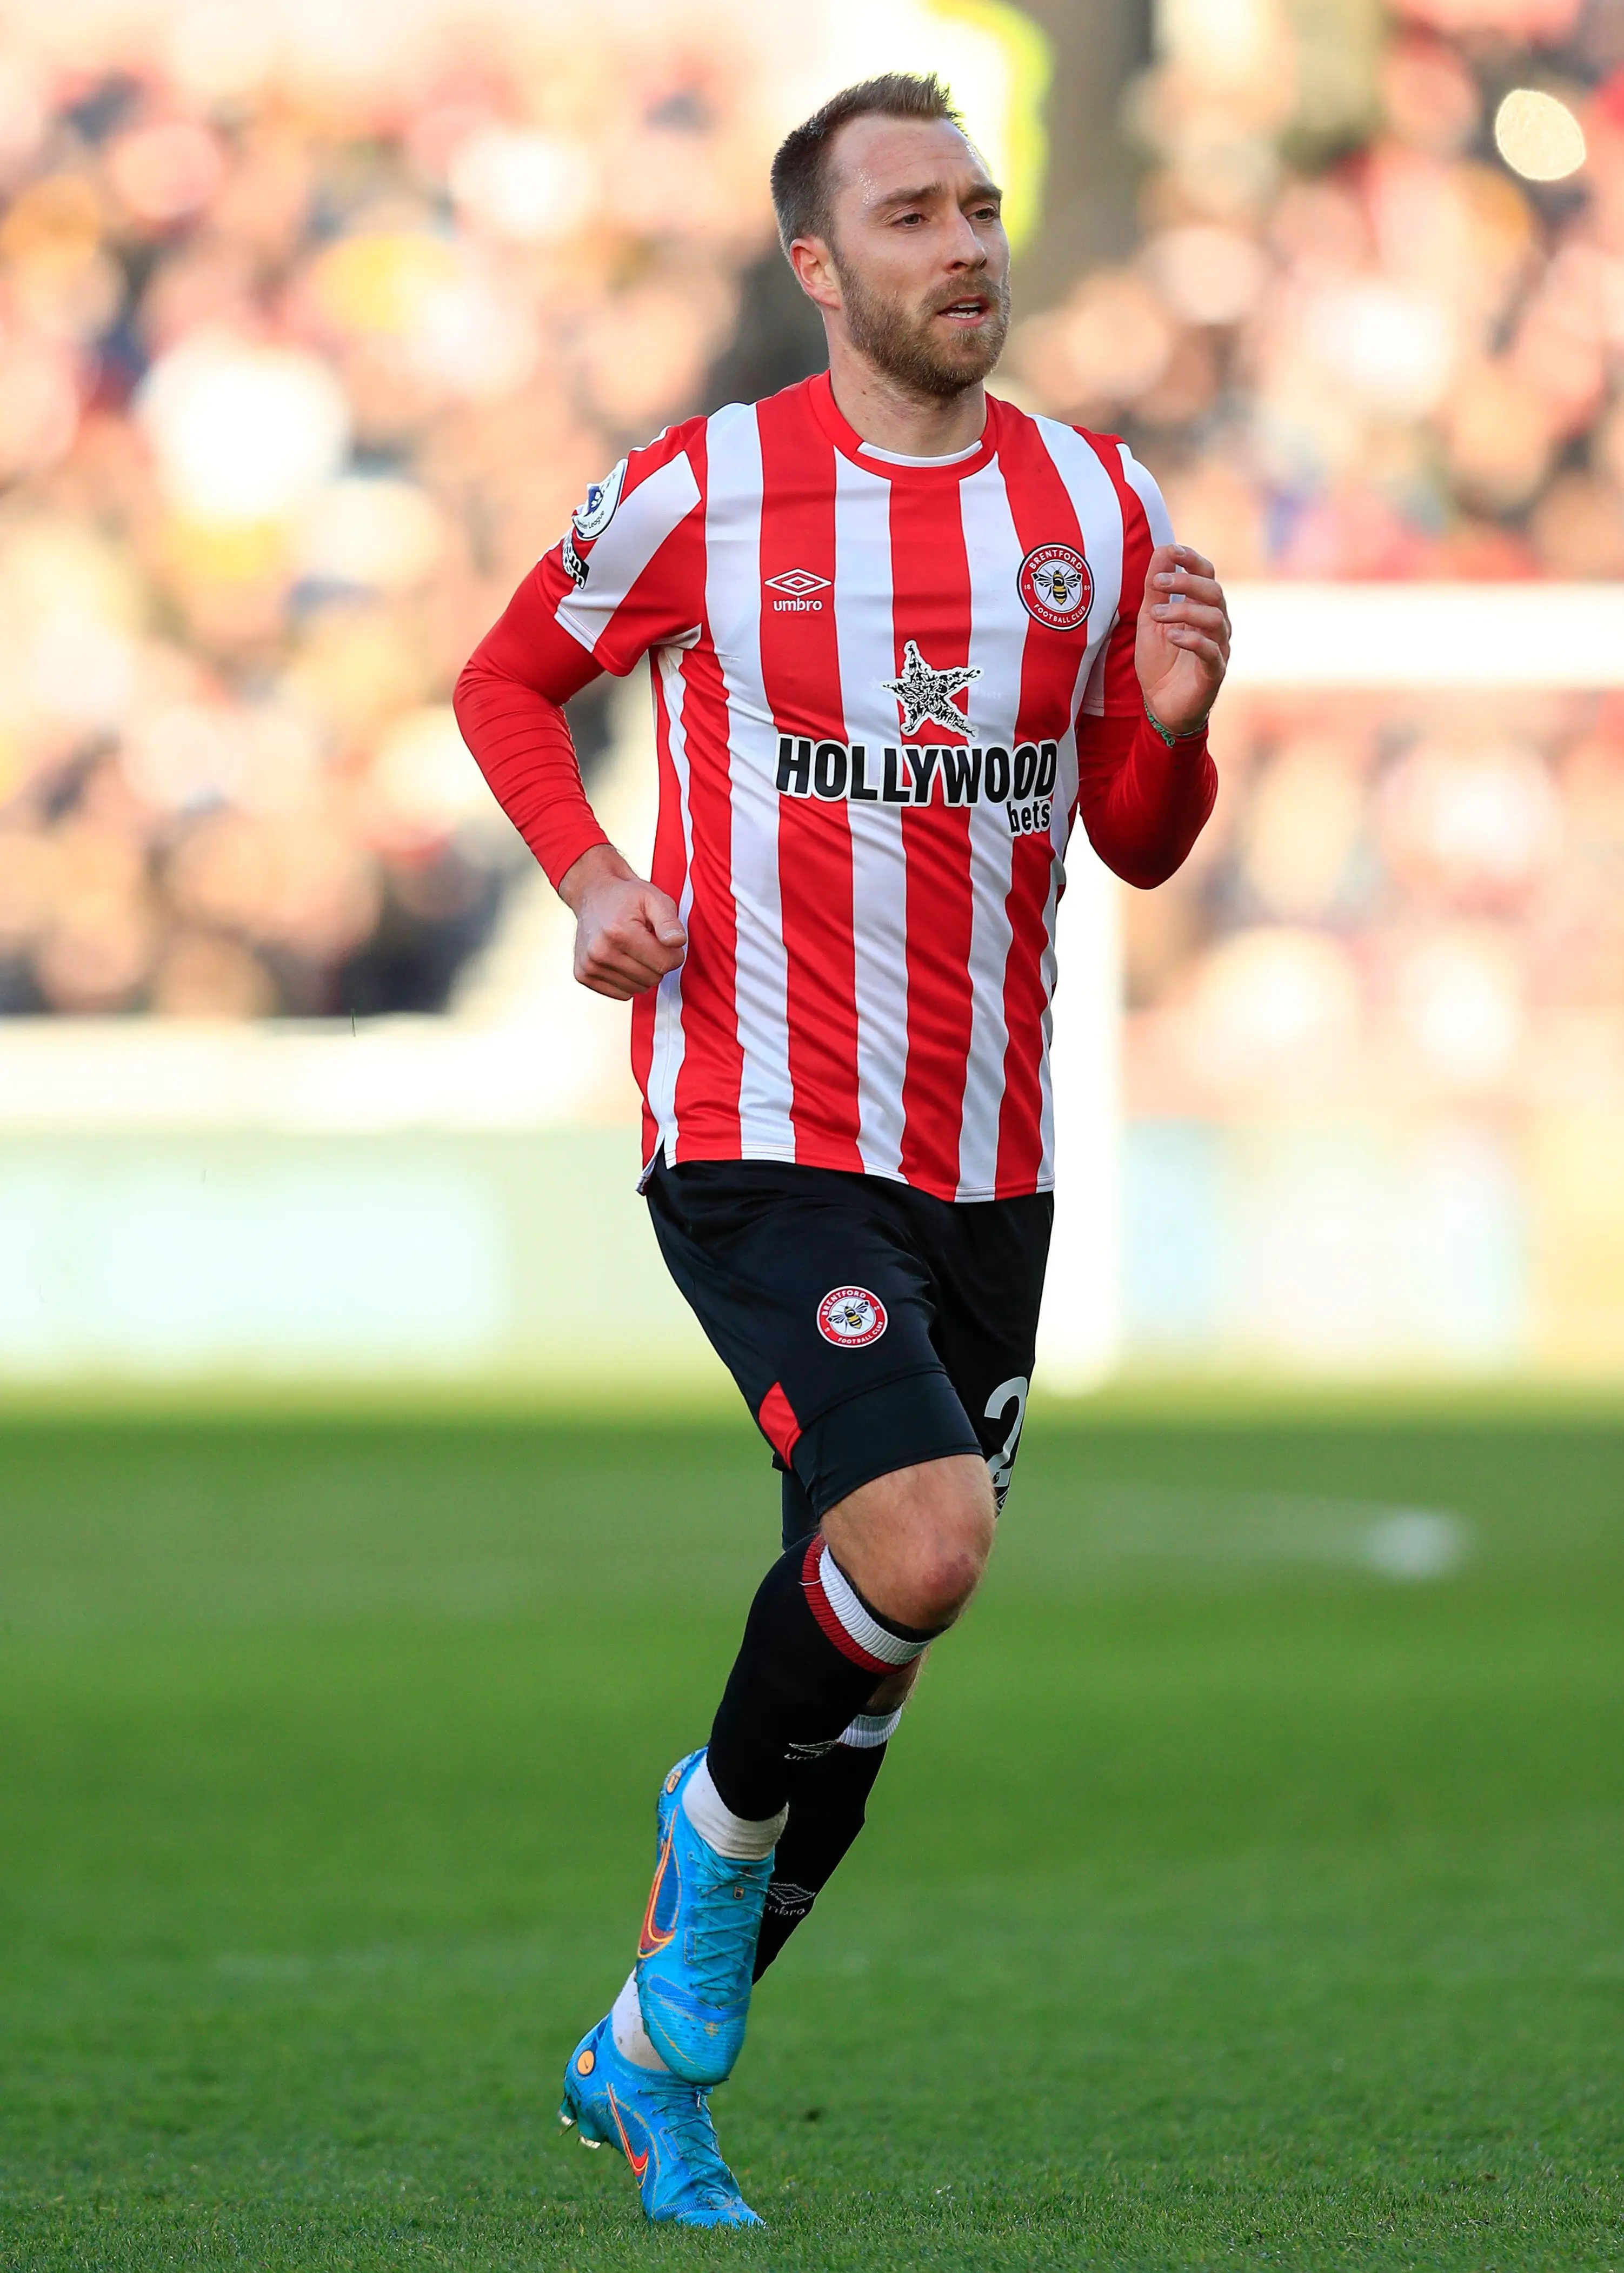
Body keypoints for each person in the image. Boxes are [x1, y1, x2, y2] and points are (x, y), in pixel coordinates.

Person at [454, 71, 1228, 2230]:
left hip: (992, 1160)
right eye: (909, 214)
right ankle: (693, 1874)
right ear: (818, 267)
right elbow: (507, 682)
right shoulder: (697, 494)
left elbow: (1131, 848)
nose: (961, 241)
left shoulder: (1089, 499)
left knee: (869, 1695)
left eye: (977, 206)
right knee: (925, 1545)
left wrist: (1169, 735)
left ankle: (648, 2057)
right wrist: (593, 875)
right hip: (760, 1123)